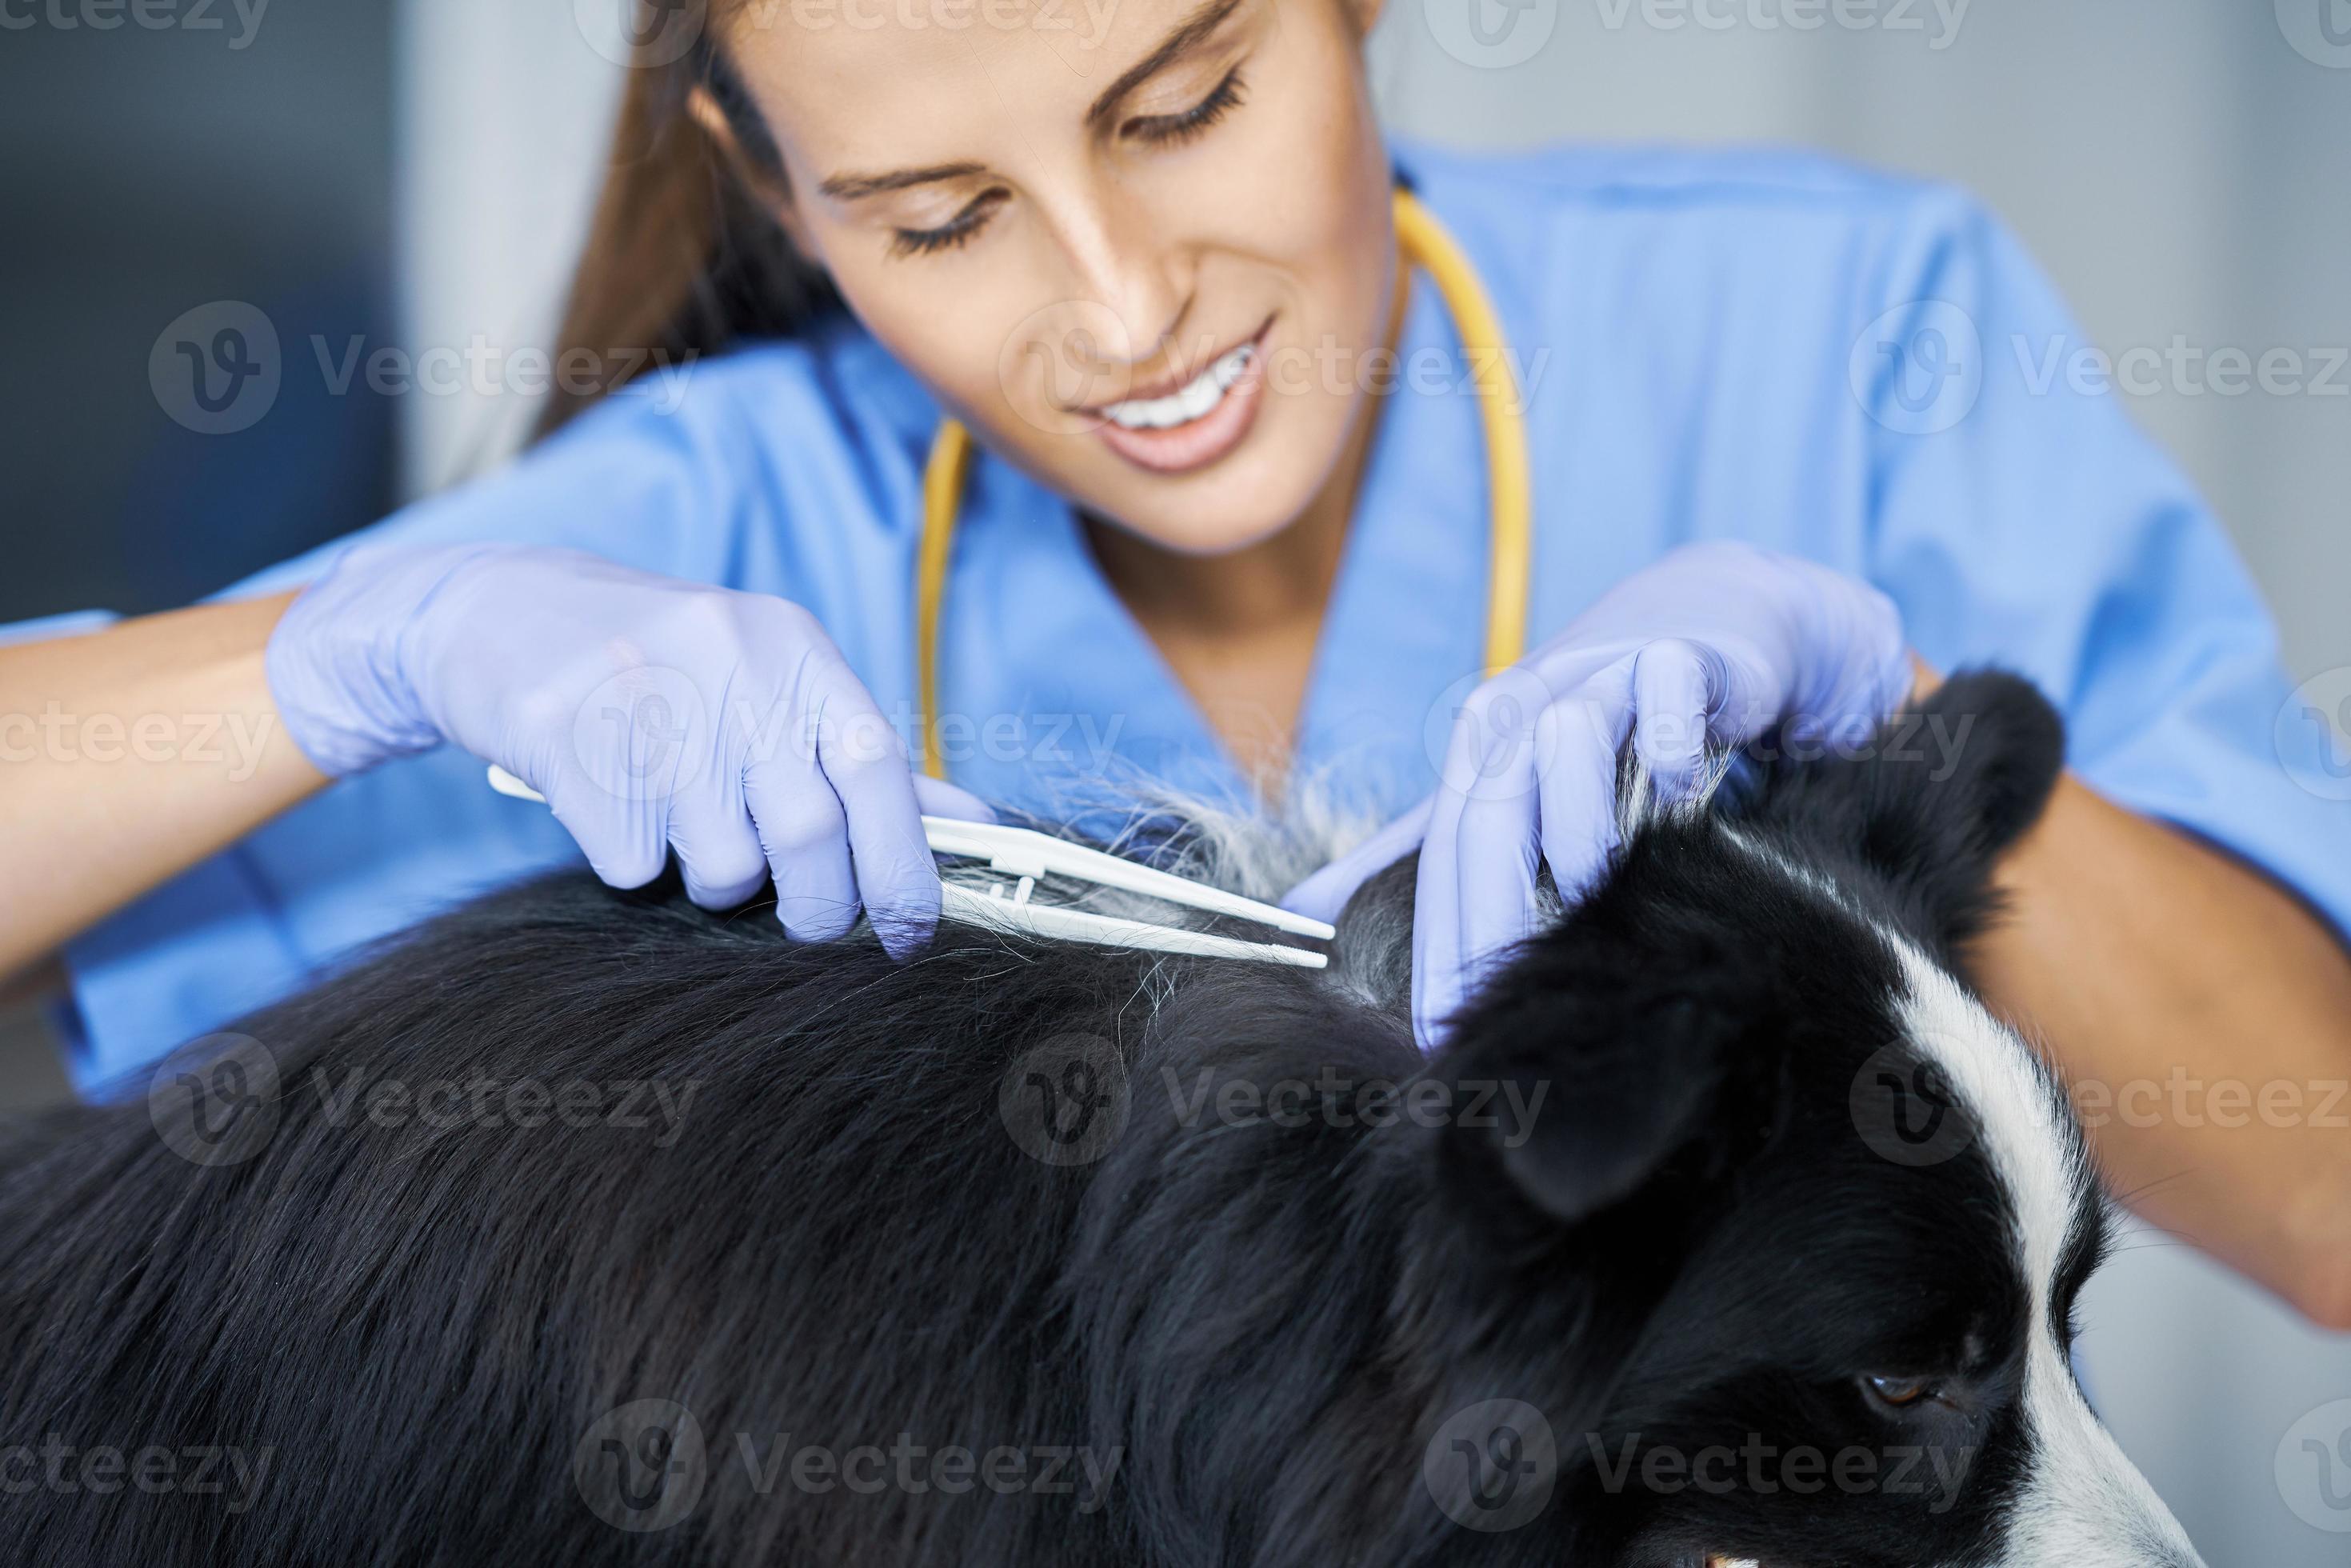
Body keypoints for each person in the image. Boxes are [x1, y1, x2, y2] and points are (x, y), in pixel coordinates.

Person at [2, 0, 2347, 1327]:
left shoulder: (1833, 334)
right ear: (765, 177)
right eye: (938, 221)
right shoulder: (723, 518)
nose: (1125, 319)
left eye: (1186, 102)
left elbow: (2321, 1195)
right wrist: (359, 650)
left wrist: (1858, 765)